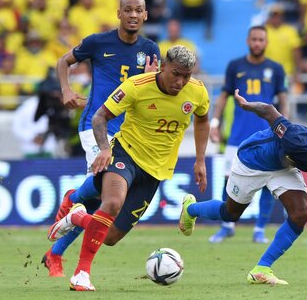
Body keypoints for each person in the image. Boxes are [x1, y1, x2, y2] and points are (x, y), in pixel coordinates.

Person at [47, 45, 210, 291]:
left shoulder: (197, 92)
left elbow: (203, 119)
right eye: (176, 74)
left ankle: (78, 216)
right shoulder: (137, 85)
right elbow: (99, 117)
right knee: (111, 203)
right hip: (126, 153)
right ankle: (81, 274)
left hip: (155, 171)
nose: (181, 81)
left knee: (110, 237)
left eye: (186, 76)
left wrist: (200, 160)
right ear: (163, 66)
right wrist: (104, 148)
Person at [179, 90, 307, 285]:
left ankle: (261, 269)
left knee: (301, 213)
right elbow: (270, 111)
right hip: (253, 158)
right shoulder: (296, 139)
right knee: (230, 213)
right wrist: (247, 105)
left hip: (282, 167)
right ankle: (190, 209)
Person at [41, 0, 160, 277]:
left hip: (129, 131)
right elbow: (63, 61)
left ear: (145, 16)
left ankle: (55, 252)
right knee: (105, 192)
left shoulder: (151, 49)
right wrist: (67, 91)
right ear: (118, 13)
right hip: (97, 125)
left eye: (139, 10)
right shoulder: (97, 42)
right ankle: (74, 199)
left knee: (99, 204)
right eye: (128, 10)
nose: (133, 15)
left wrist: (151, 80)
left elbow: (151, 91)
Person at [208, 25, 288, 244]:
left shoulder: (276, 69)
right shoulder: (235, 66)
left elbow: (283, 98)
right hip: (237, 137)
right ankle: (227, 226)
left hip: (266, 136)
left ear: (266, 42)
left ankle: (259, 229)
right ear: (247, 41)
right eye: (254, 39)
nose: (257, 43)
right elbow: (223, 97)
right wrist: (215, 123)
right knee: (229, 180)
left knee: (267, 182)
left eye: (261, 40)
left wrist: (285, 127)